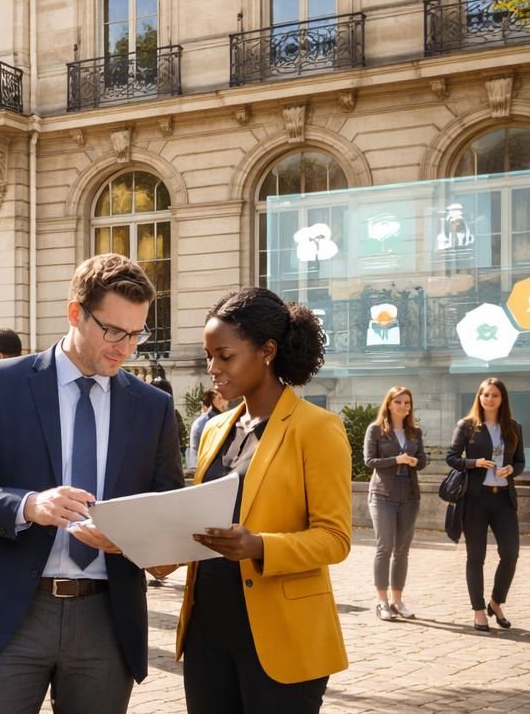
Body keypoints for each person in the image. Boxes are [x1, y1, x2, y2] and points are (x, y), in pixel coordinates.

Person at [0, 254, 184, 714]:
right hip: (7, 613)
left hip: (107, 620)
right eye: (114, 331)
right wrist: (27, 505)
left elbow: (165, 517)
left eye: (137, 334)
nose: (125, 348)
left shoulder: (153, 408)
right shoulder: (1, 384)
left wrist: (128, 540)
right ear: (75, 314)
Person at [176, 286, 351, 714]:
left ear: (267, 351)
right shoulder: (215, 430)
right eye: (208, 356)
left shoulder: (317, 428)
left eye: (225, 355)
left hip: (282, 637)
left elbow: (334, 539)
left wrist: (260, 546)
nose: (212, 368)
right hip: (207, 634)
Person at [446, 377, 524, 632]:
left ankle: (496, 602)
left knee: (510, 553)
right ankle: (479, 610)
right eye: (485, 394)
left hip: (503, 499)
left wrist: (512, 469)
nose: (489, 399)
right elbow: (452, 457)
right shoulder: (467, 426)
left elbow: (520, 461)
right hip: (475, 499)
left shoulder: (513, 427)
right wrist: (475, 463)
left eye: (494, 395)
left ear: (502, 399)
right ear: (479, 397)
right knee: (476, 557)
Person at [364, 386, 427, 622]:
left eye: (407, 403)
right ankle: (381, 601)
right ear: (389, 404)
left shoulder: (414, 432)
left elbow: (423, 460)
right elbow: (369, 461)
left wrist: (413, 461)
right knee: (385, 547)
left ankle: (397, 600)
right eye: (398, 402)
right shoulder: (376, 430)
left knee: (402, 550)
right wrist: (396, 460)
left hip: (409, 496)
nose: (403, 407)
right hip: (382, 495)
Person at [185, 390, 225, 471]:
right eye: (220, 398)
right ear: (214, 400)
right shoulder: (211, 421)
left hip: (199, 468)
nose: (224, 402)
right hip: (206, 469)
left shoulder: (203, 420)